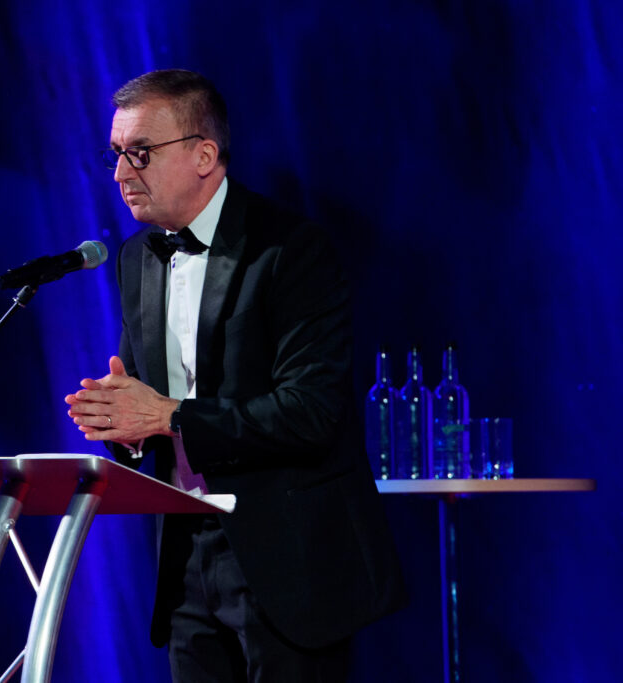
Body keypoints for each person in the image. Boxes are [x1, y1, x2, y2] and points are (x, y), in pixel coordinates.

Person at [65, 69, 406, 682]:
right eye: (115, 155)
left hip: (289, 558)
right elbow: (143, 391)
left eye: (140, 153)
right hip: (188, 555)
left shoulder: (291, 250)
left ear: (204, 154)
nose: (120, 174)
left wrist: (166, 415)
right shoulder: (137, 258)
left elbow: (311, 412)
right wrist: (121, 425)